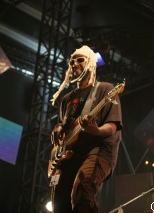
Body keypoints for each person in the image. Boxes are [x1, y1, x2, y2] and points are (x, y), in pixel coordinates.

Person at [49, 45, 123, 213]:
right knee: (60, 203)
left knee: (82, 192)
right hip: (69, 155)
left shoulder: (105, 89)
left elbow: (112, 127)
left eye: (80, 60)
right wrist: (58, 128)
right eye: (72, 61)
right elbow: (63, 126)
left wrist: (95, 130)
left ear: (90, 63)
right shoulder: (67, 98)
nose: (74, 64)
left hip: (98, 151)